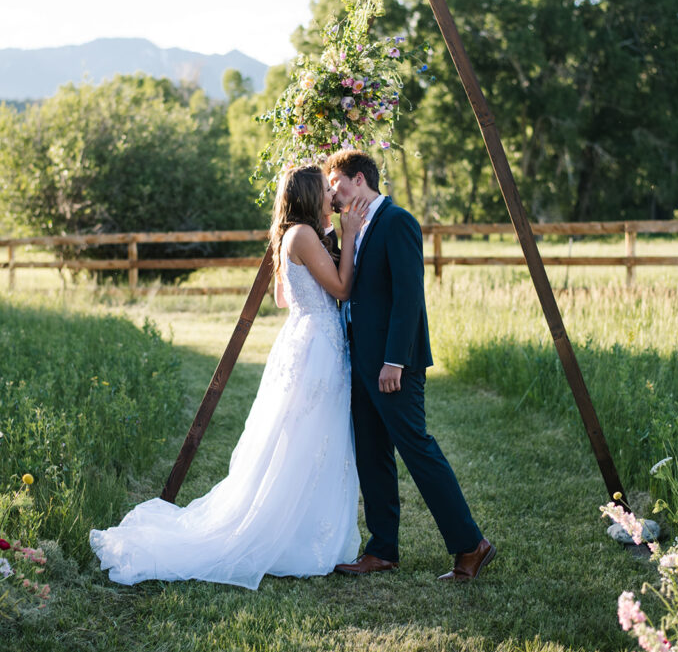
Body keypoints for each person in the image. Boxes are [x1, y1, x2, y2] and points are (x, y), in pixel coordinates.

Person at [90, 165, 368, 590]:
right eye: (325, 191)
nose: (332, 195)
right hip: (316, 346)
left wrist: (328, 241)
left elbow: (281, 298)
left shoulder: (290, 234)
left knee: (304, 437)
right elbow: (343, 289)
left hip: (304, 337)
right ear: (312, 195)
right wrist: (347, 236)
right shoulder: (304, 236)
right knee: (310, 438)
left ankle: (301, 528)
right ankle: (294, 535)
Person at [324, 150, 495, 582]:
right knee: (372, 454)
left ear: (358, 180)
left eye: (336, 184)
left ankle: (470, 544)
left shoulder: (398, 221)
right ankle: (382, 549)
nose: (332, 192)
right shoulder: (358, 225)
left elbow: (408, 297)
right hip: (361, 362)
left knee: (417, 449)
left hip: (391, 364)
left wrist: (394, 361)